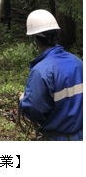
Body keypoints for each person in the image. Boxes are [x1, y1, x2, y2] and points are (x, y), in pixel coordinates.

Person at [19, 9, 83, 140]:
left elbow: (33, 110)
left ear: (35, 38)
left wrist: (23, 100)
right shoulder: (78, 62)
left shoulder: (41, 71)